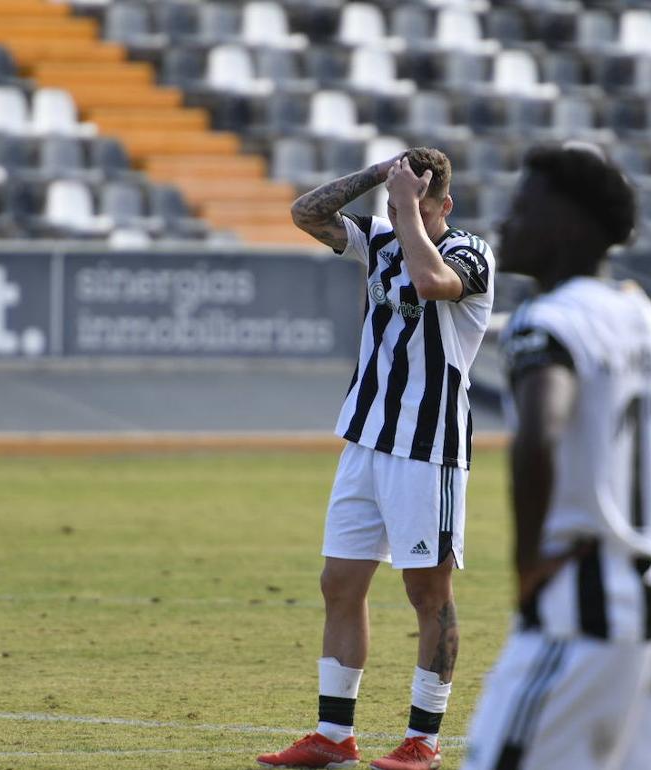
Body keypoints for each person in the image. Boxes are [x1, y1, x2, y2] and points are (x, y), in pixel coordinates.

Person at [461, 142, 651, 770]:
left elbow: (540, 433)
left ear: (566, 225)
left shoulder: (547, 320)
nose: (505, 223)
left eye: (522, 207)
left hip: (576, 614)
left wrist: (526, 565)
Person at [257, 147, 496, 770]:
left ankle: (425, 739)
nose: (397, 212)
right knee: (339, 583)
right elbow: (306, 212)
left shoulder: (471, 253)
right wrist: (377, 177)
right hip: (365, 439)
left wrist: (409, 212)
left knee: (428, 592)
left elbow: (430, 281)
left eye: (415, 201)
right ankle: (334, 737)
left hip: (428, 448)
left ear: (445, 204)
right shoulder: (385, 236)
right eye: (394, 204)